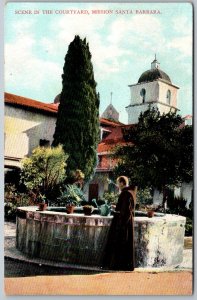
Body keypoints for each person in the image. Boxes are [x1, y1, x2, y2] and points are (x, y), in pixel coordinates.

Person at [101, 176, 137, 271]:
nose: (118, 186)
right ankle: (125, 265)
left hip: (123, 223)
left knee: (120, 243)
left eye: (118, 183)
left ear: (122, 183)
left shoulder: (125, 193)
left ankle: (119, 265)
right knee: (127, 243)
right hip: (128, 222)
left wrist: (118, 216)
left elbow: (124, 211)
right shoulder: (131, 192)